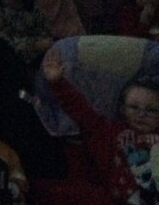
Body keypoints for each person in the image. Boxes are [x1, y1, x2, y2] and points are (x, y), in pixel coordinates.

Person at [42, 48, 159, 204]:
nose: (141, 114)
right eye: (134, 107)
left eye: (151, 110)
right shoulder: (108, 131)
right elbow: (81, 111)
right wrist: (57, 82)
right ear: (122, 109)